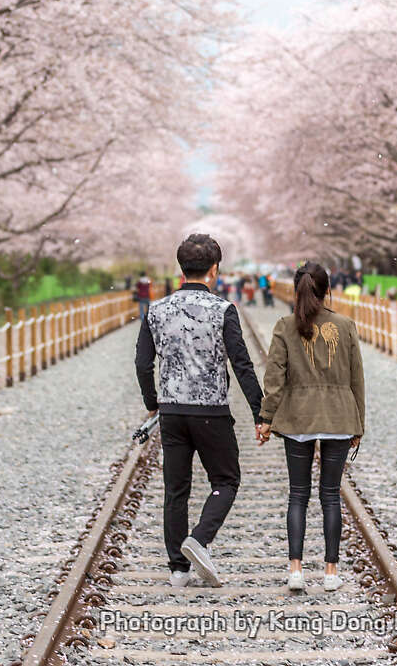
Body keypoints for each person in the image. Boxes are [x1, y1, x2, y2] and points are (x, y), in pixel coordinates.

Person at [135, 233, 264, 589]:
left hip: (173, 411)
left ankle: (178, 569)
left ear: (182, 268)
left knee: (176, 489)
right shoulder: (223, 311)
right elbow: (242, 365)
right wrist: (260, 412)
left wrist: (152, 403)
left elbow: (142, 363)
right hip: (211, 411)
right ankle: (200, 538)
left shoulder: (156, 311)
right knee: (226, 480)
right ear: (214, 270)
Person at [256, 261, 365, 593]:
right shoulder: (345, 325)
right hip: (338, 417)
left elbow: (274, 379)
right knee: (331, 496)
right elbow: (356, 378)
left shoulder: (285, 326)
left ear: (295, 290)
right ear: (327, 290)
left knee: (298, 495)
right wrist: (358, 421)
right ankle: (331, 573)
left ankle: (296, 570)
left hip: (298, 418)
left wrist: (266, 418)